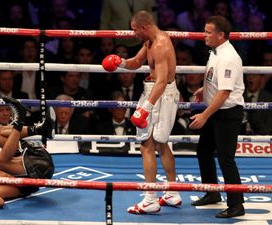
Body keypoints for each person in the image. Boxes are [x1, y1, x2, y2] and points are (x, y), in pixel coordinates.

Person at [101, 10, 181, 214]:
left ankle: (150, 199)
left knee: (146, 144)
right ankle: (172, 192)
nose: (133, 34)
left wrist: (145, 108)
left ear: (144, 27)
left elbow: (162, 81)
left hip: (160, 94)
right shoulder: (150, 42)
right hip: (157, 92)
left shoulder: (161, 44)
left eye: (135, 30)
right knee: (162, 144)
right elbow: (136, 63)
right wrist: (120, 62)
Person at [189, 15, 245, 218]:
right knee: (203, 152)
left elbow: (225, 92)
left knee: (225, 159)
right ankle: (212, 193)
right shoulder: (215, 52)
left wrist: (204, 115)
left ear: (220, 35)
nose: (203, 35)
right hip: (215, 110)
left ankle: (237, 204)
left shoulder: (229, 57)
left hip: (227, 113)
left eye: (208, 32)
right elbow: (216, 79)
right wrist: (204, 89)